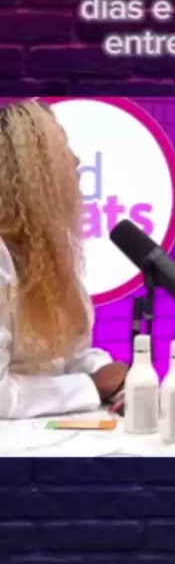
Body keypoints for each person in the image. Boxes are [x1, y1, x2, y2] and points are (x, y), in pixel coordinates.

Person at [0, 99, 127, 419]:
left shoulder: (48, 252)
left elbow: (67, 358)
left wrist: (119, 380)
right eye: (63, 150)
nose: (76, 160)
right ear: (33, 173)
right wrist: (92, 386)